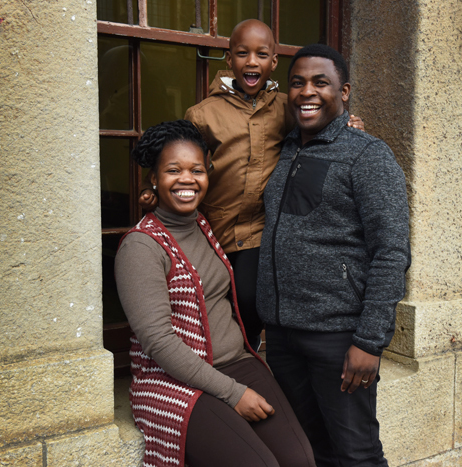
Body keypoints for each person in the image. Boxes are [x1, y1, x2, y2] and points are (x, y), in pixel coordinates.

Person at [139, 19, 363, 349]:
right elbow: (177, 157)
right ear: (229, 59)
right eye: (242, 53)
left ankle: (249, 354)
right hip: (215, 225)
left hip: (260, 228)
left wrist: (348, 121)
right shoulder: (203, 114)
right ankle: (212, 358)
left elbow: (317, 118)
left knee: (250, 296)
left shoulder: (286, 106)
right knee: (208, 297)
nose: (252, 61)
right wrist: (152, 188)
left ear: (274, 62)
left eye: (262, 54)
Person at [116, 120, 315, 467]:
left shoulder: (203, 224)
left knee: (300, 459)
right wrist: (232, 393)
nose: (187, 180)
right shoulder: (141, 247)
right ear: (154, 177)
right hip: (173, 382)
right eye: (173, 170)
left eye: (196, 170)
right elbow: (159, 343)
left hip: (236, 363)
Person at [256, 44, 411, 466]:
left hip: (339, 339)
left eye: (320, 83)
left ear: (344, 92)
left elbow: (391, 252)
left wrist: (369, 341)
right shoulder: (286, 150)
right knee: (311, 449)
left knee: (356, 453)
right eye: (298, 82)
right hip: (284, 338)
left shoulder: (367, 155)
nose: (307, 92)